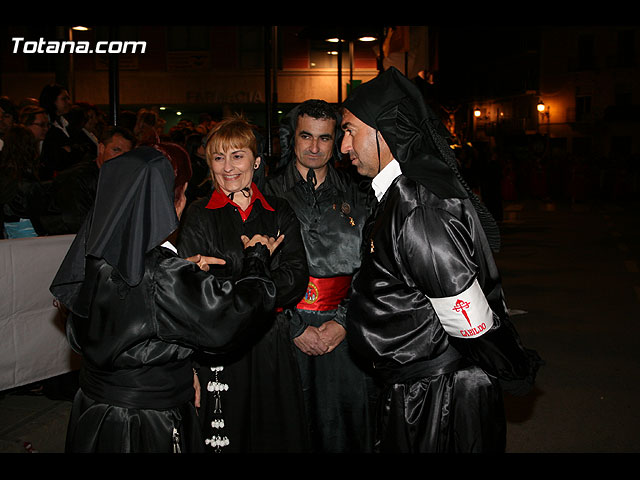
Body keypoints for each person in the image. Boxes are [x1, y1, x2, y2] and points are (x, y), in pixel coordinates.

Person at [340, 67, 542, 453]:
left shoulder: (418, 208)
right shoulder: (400, 197)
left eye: (350, 130)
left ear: (384, 129)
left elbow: (468, 315)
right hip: (420, 388)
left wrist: (510, 367)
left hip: (440, 397)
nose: (344, 146)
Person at [49, 141, 282, 453]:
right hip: (145, 422)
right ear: (174, 199)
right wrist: (256, 258)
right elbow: (232, 315)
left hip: (95, 409)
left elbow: (127, 309)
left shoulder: (94, 254)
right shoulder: (162, 274)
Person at [177, 114, 310, 453]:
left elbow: (295, 277)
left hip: (270, 342)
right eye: (218, 157)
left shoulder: (279, 210)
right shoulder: (199, 213)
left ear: (256, 161)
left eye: (237, 156)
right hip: (219, 346)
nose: (228, 167)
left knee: (273, 433)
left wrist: (233, 289)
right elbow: (193, 286)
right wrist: (260, 278)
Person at [264, 99, 376, 453]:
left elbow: (374, 268)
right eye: (306, 136)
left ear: (336, 142)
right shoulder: (265, 195)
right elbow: (252, 273)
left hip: (346, 331)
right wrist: (294, 326)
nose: (314, 147)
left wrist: (343, 321)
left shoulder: (361, 196)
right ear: (291, 138)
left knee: (345, 428)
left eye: (325, 138)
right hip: (280, 328)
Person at [39, 126, 135, 235]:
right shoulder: (77, 179)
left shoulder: (123, 180)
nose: (121, 157)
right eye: (116, 150)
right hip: (60, 242)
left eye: (126, 154)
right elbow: (79, 224)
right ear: (101, 148)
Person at [38, 83, 74, 179]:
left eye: (68, 98)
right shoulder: (47, 126)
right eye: (64, 99)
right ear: (52, 101)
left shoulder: (66, 123)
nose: (68, 102)